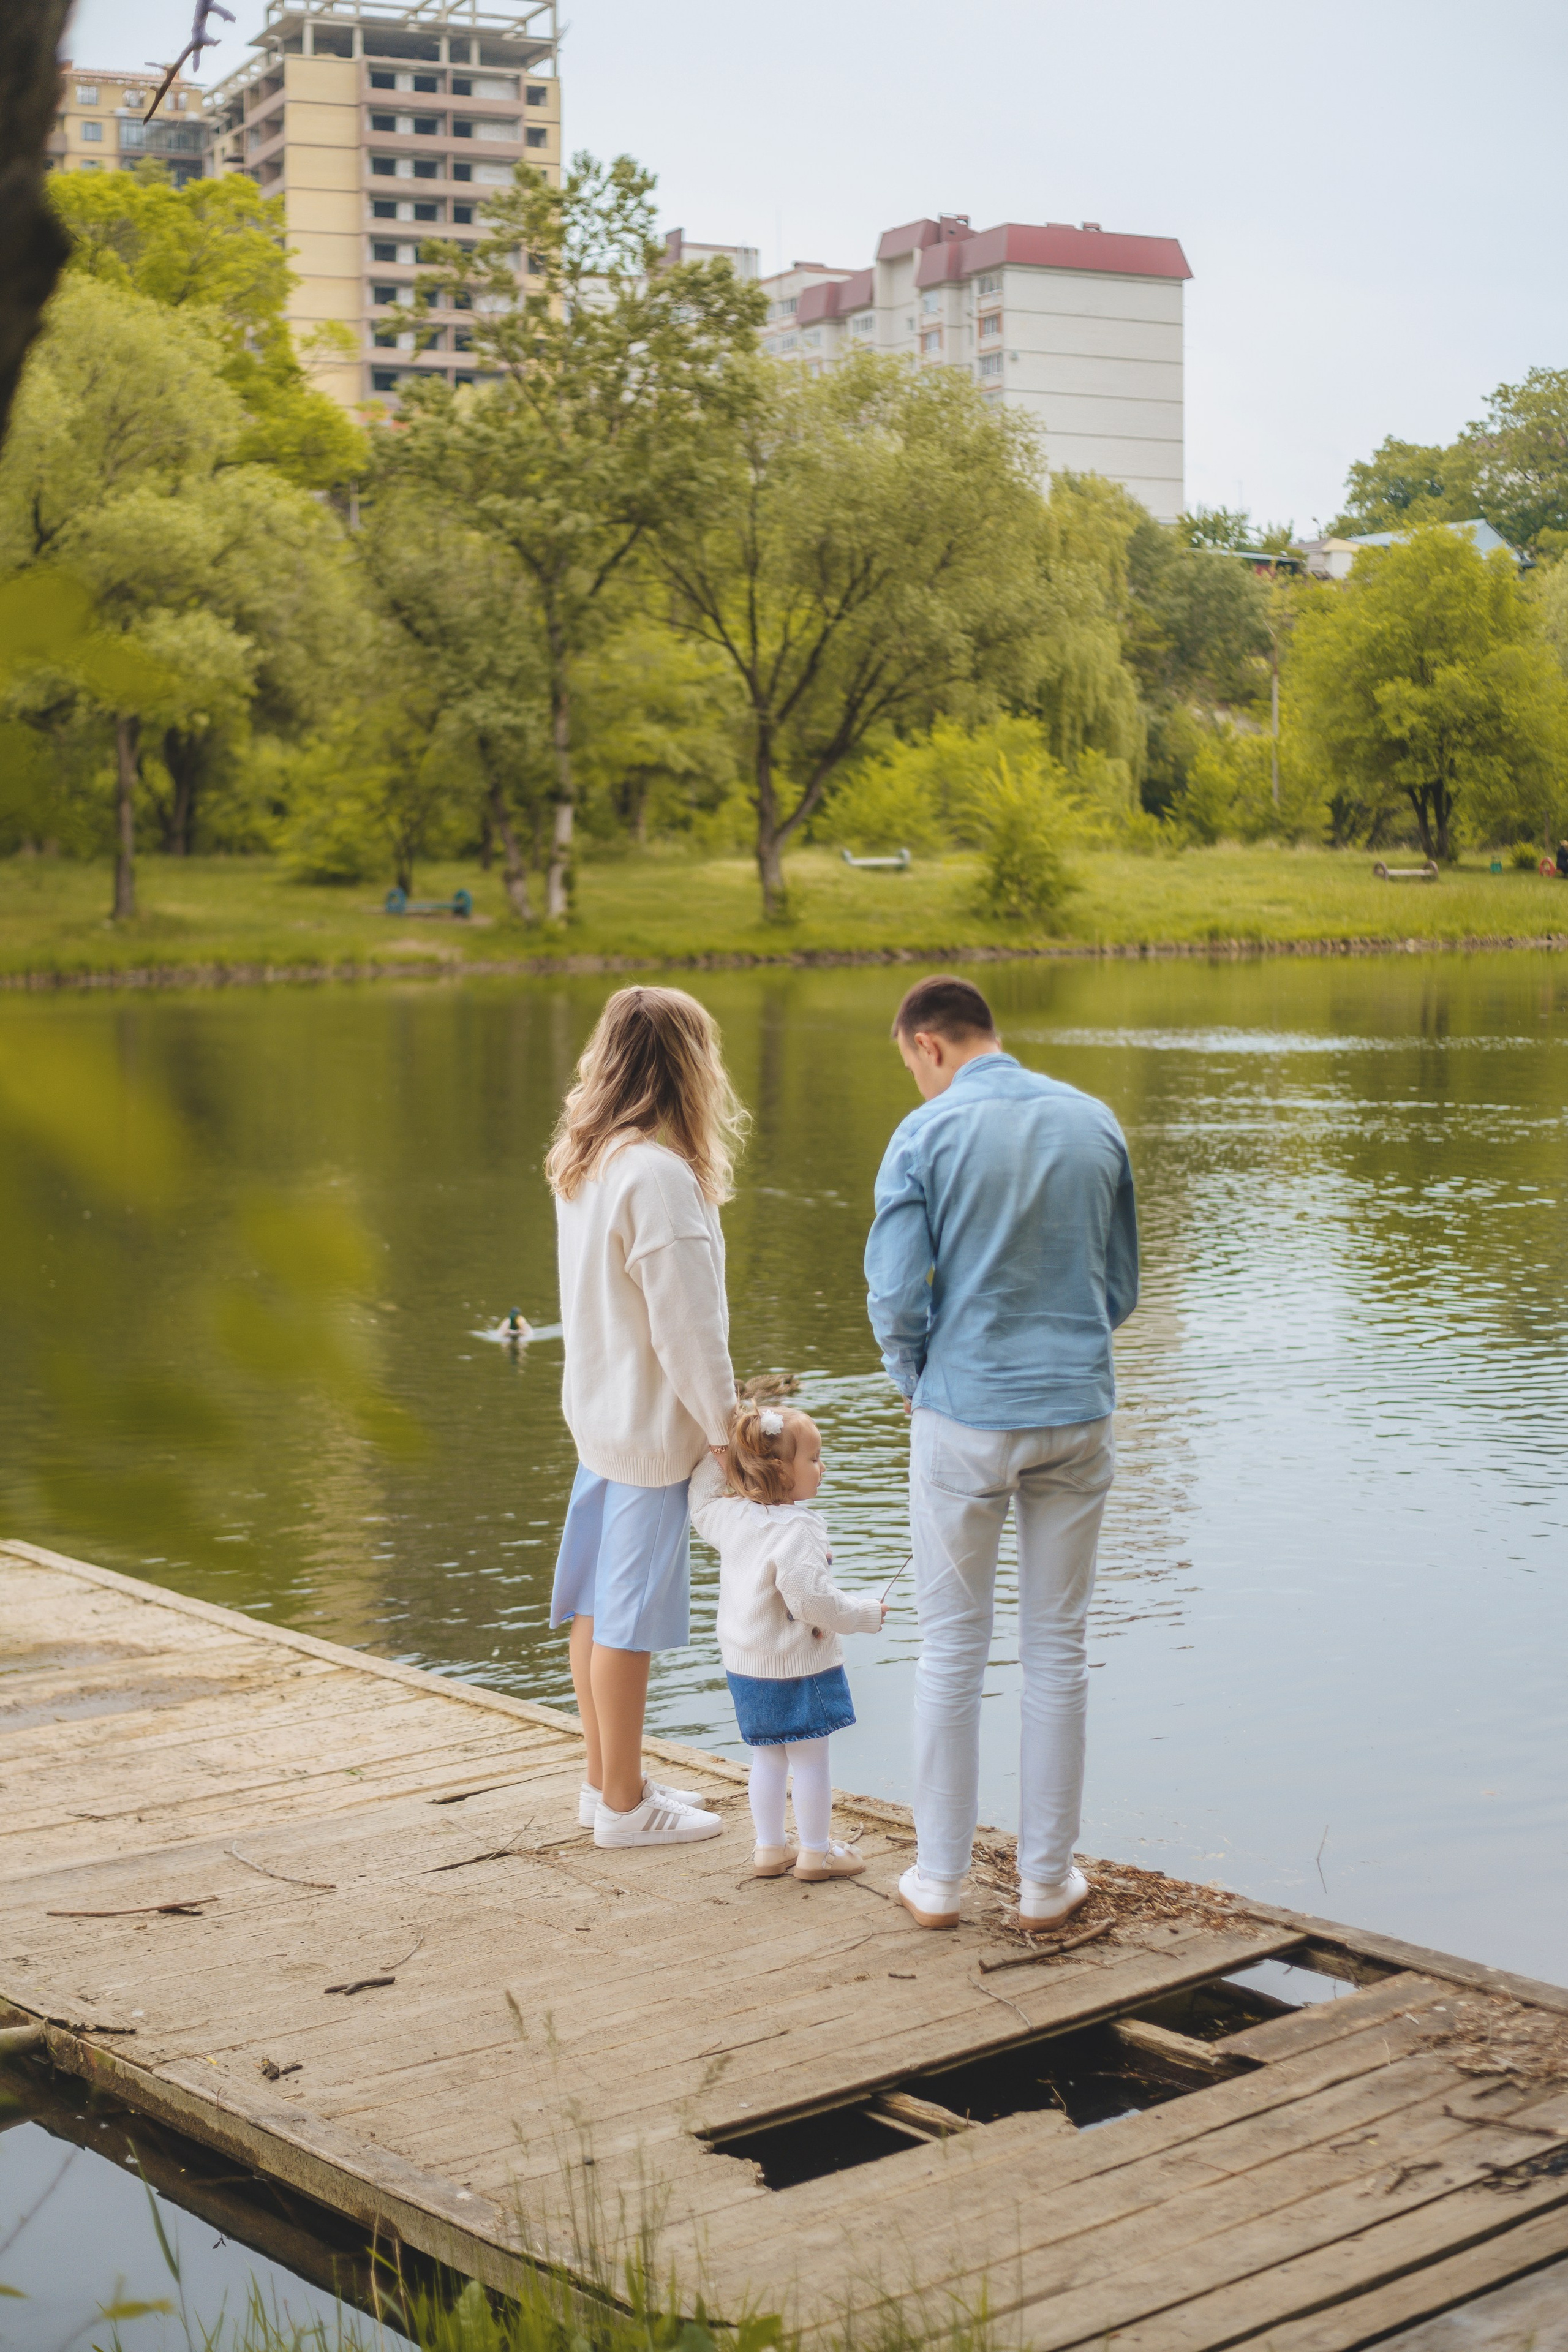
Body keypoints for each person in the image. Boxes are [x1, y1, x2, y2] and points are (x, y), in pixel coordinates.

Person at [864, 974, 1138, 1933]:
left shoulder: (925, 1134)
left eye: (912, 1065)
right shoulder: (1095, 1122)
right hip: (1078, 1411)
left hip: (966, 1414)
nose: (917, 1080)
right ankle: (1046, 1883)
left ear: (929, 1045)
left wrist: (914, 1376)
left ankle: (939, 1881)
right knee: (1058, 1648)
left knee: (951, 1646)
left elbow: (895, 1294)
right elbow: (1120, 1286)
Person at [546, 985, 743, 1849]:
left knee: (597, 1609)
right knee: (626, 1624)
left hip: (600, 1421)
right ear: (686, 1068)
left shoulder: (584, 1160)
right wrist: (727, 1432)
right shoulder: (657, 1178)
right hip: (649, 1433)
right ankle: (625, 1808)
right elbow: (689, 1328)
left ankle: (605, 1783)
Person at [691, 1398, 883, 1880]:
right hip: (800, 1668)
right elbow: (810, 1602)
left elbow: (701, 1497)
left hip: (746, 1666)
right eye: (814, 1458)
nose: (823, 1467)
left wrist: (723, 1447)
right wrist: (861, 1614)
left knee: (768, 1757)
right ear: (780, 1469)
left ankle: (770, 1848)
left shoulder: (727, 1517)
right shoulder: (798, 1529)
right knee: (811, 1760)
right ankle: (817, 1853)